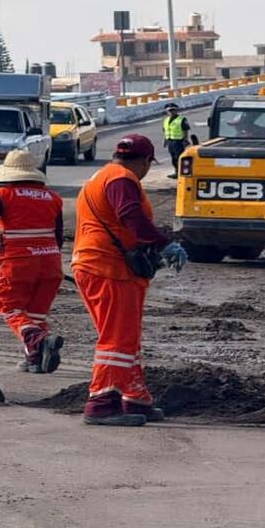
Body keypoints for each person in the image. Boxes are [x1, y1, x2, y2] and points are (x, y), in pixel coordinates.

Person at [71, 134, 188, 426]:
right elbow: (129, 215)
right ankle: (101, 402)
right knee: (116, 338)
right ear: (146, 162)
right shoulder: (122, 179)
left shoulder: (104, 175)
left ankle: (134, 396)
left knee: (125, 336)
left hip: (103, 264)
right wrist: (163, 244)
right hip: (107, 267)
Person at [0, 149, 65, 374]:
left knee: (10, 308)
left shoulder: (3, 195)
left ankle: (37, 339)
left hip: (19, 262)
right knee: (35, 313)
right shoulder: (53, 198)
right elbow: (58, 238)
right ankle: (35, 358)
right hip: (50, 263)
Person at [162, 103, 190, 178]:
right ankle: (176, 172)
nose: (171, 112)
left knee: (179, 157)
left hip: (178, 141)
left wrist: (185, 140)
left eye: (173, 110)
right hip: (170, 141)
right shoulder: (166, 120)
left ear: (176, 110)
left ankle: (181, 172)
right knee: (173, 158)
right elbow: (165, 130)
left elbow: (185, 130)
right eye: (169, 110)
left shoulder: (181, 119)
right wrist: (165, 140)